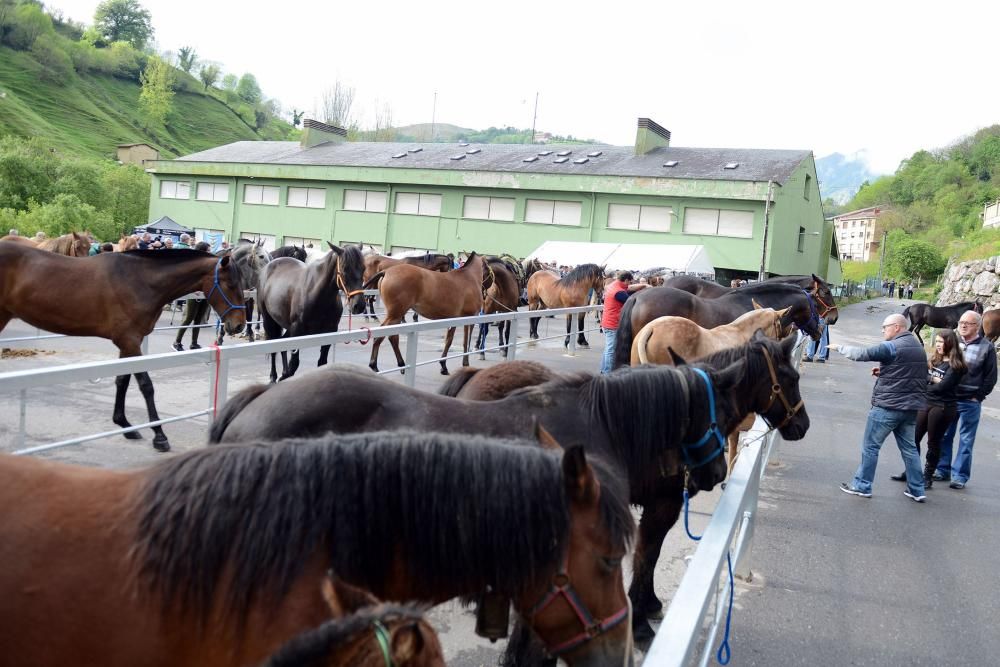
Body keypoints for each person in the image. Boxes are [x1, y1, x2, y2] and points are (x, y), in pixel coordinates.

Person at [832, 313, 928, 502]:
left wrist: (839, 347)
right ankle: (917, 489)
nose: (882, 330)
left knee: (871, 447)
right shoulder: (918, 347)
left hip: (887, 407)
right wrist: (884, 372)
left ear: (897, 327)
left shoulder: (891, 346)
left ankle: (862, 485)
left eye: (885, 326)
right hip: (909, 409)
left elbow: (862, 354)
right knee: (910, 450)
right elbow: (911, 374)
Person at [890, 329, 967, 488]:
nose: (938, 345)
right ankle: (911, 470)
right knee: (913, 439)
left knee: (933, 442)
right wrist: (933, 378)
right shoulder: (935, 360)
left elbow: (943, 387)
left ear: (950, 343)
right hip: (925, 403)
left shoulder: (956, 365)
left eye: (941, 342)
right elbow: (922, 376)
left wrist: (931, 382)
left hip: (943, 407)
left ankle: (927, 476)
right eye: (937, 341)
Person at [934, 310, 997, 488]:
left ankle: (959, 477)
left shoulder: (987, 347)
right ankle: (942, 469)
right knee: (944, 435)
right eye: (961, 322)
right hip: (949, 399)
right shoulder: (951, 343)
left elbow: (991, 377)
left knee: (966, 440)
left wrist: (978, 396)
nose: (962, 325)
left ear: (977, 326)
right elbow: (938, 363)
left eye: (967, 323)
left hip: (970, 401)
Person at [599, 271, 648, 374]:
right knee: (611, 350)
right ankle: (607, 374)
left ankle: (604, 370)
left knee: (608, 348)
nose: (629, 285)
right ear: (625, 280)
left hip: (607, 323)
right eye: (629, 282)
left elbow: (629, 288)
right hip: (612, 324)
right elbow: (630, 300)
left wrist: (643, 285)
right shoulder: (619, 292)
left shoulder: (614, 285)